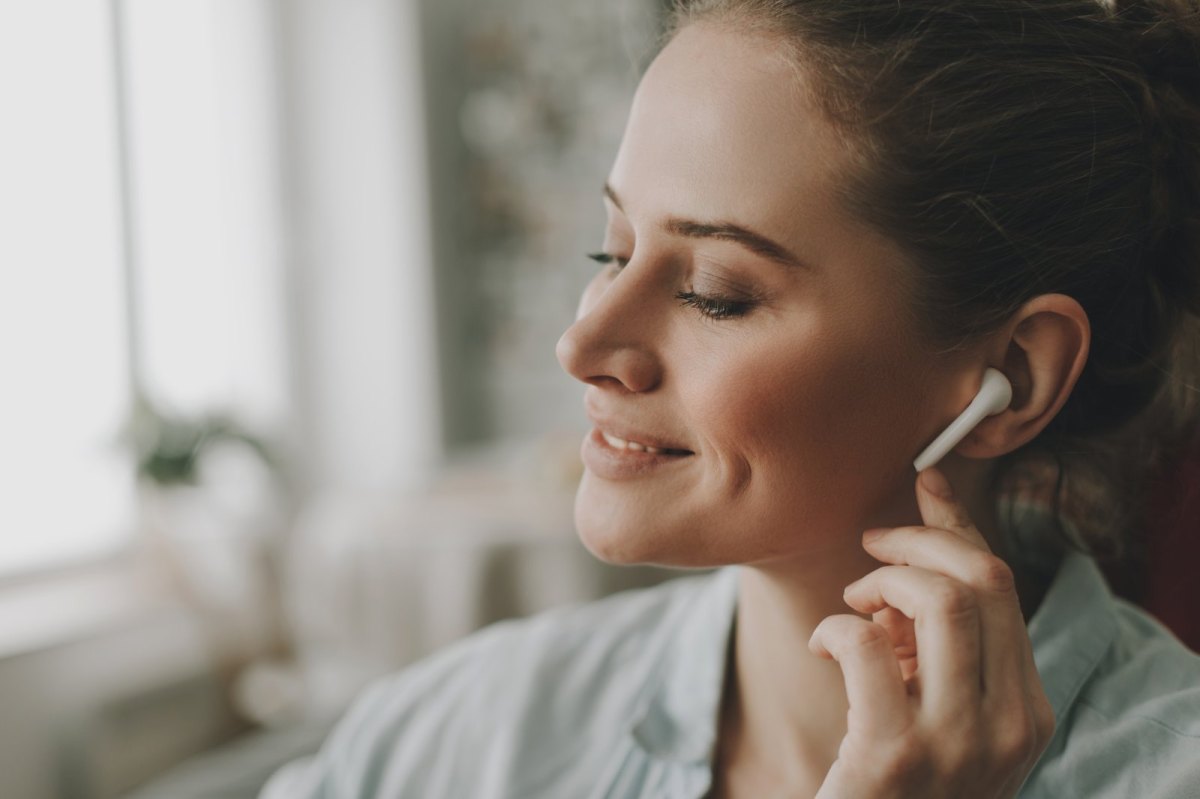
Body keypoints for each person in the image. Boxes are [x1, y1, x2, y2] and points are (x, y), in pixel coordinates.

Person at [261, 1, 1200, 796]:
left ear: (1015, 378)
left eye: (717, 291)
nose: (582, 343)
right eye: (613, 252)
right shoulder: (462, 743)